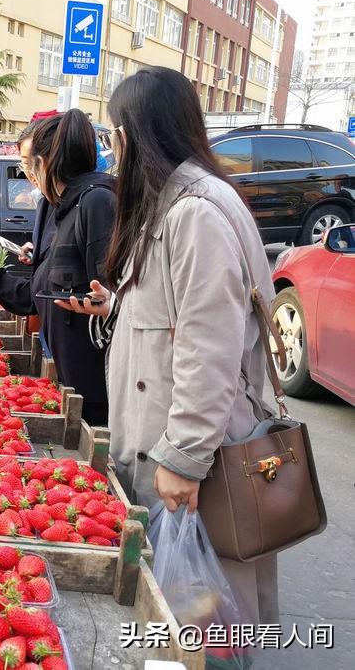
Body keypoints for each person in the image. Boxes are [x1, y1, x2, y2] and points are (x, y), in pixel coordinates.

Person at [57, 66, 279, 627]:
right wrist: (118, 307)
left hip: (198, 458)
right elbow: (181, 313)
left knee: (203, 610)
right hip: (176, 447)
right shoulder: (177, 202)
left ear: (131, 137)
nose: (111, 152)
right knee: (184, 603)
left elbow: (211, 347)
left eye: (112, 139)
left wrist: (183, 457)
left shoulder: (196, 214)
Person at [0, 109, 115, 424]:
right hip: (70, 364)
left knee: (93, 431)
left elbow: (110, 297)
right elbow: (39, 294)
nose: (27, 172)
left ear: (45, 162)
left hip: (93, 373)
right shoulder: (59, 205)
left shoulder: (95, 203)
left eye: (28, 164)